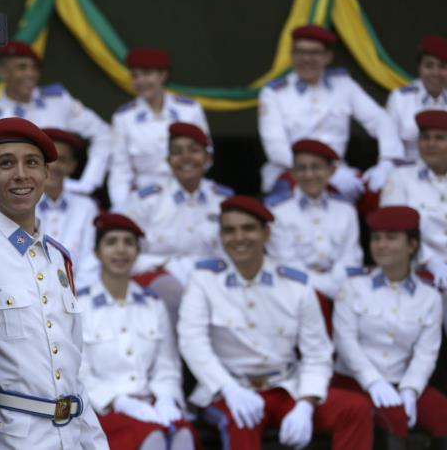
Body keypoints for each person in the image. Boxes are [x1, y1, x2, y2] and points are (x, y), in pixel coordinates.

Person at [177, 196, 373, 450]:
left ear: (266, 233)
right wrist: (228, 388)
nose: (239, 237)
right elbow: (192, 342)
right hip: (229, 389)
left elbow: (317, 353)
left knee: (355, 409)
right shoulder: (203, 281)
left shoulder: (296, 285)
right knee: (240, 421)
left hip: (286, 386)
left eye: (248, 228)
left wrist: (306, 403)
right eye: (229, 230)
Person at [0, 117, 108, 449]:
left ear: (46, 174)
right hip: (8, 438)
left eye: (31, 163)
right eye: (6, 164)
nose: (21, 174)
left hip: (71, 435)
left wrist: (95, 442)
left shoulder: (58, 258)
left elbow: (72, 368)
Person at [79, 212, 197, 450]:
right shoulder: (80, 306)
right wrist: (117, 401)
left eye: (128, 242)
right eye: (111, 242)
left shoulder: (153, 304)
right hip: (103, 409)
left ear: (138, 252)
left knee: (183, 434)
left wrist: (166, 397)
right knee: (151, 438)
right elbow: (78, 371)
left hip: (150, 404)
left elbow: (167, 365)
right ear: (96, 252)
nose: (121, 250)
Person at [332, 206, 447, 446]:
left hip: (402, 380)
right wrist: (373, 382)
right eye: (376, 238)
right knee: (396, 422)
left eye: (391, 238)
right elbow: (345, 342)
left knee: (443, 416)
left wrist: (411, 389)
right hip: (355, 382)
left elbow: (426, 354)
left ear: (412, 245)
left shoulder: (429, 297)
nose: (381, 245)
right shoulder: (353, 287)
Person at [258, 24, 404, 198]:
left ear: (328, 56)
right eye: (300, 52)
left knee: (380, 194)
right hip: (291, 171)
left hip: (339, 172)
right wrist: (322, 171)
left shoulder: (343, 85)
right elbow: (276, 148)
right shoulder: (274, 92)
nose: (306, 59)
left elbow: (381, 120)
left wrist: (387, 161)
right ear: (291, 55)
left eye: (314, 53)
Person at [124, 122, 232, 324]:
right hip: (157, 279)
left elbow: (231, 255)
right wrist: (165, 264)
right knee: (175, 296)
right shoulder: (146, 200)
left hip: (211, 279)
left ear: (208, 158)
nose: (185, 158)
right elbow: (125, 252)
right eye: (177, 152)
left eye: (193, 150)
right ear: (168, 160)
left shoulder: (222, 200)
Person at [0, 41, 111, 194]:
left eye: (34, 68)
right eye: (22, 67)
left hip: (64, 196)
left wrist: (89, 181)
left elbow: (103, 133)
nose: (31, 74)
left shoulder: (58, 100)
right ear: (3, 71)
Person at [108, 48, 211, 211]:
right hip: (145, 201)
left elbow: (207, 155)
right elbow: (120, 170)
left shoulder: (190, 110)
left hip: (187, 195)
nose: (141, 81)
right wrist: (120, 207)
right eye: (135, 76)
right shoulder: (123, 117)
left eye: (147, 74)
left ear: (163, 75)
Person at [266, 139, 363, 299]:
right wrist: (328, 289)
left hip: (342, 289)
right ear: (292, 172)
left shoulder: (346, 210)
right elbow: (285, 263)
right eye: (301, 168)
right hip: (295, 292)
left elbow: (351, 257)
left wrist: (335, 286)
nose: (309, 175)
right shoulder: (277, 211)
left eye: (316, 167)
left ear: (331, 171)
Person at [380, 110, 447, 288]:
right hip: (418, 271)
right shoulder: (400, 177)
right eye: (425, 138)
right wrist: (431, 261)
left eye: (440, 138)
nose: (431, 144)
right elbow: (393, 230)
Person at [38, 127, 100, 288]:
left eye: (62, 160)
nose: (54, 166)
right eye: (48, 159)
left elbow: (90, 257)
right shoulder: (21, 204)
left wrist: (73, 293)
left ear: (72, 166)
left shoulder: (87, 207)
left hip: (77, 292)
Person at [386, 36, 447, 162]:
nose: (435, 73)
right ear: (419, 67)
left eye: (442, 66)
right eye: (429, 66)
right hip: (408, 170)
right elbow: (390, 147)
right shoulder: (400, 98)